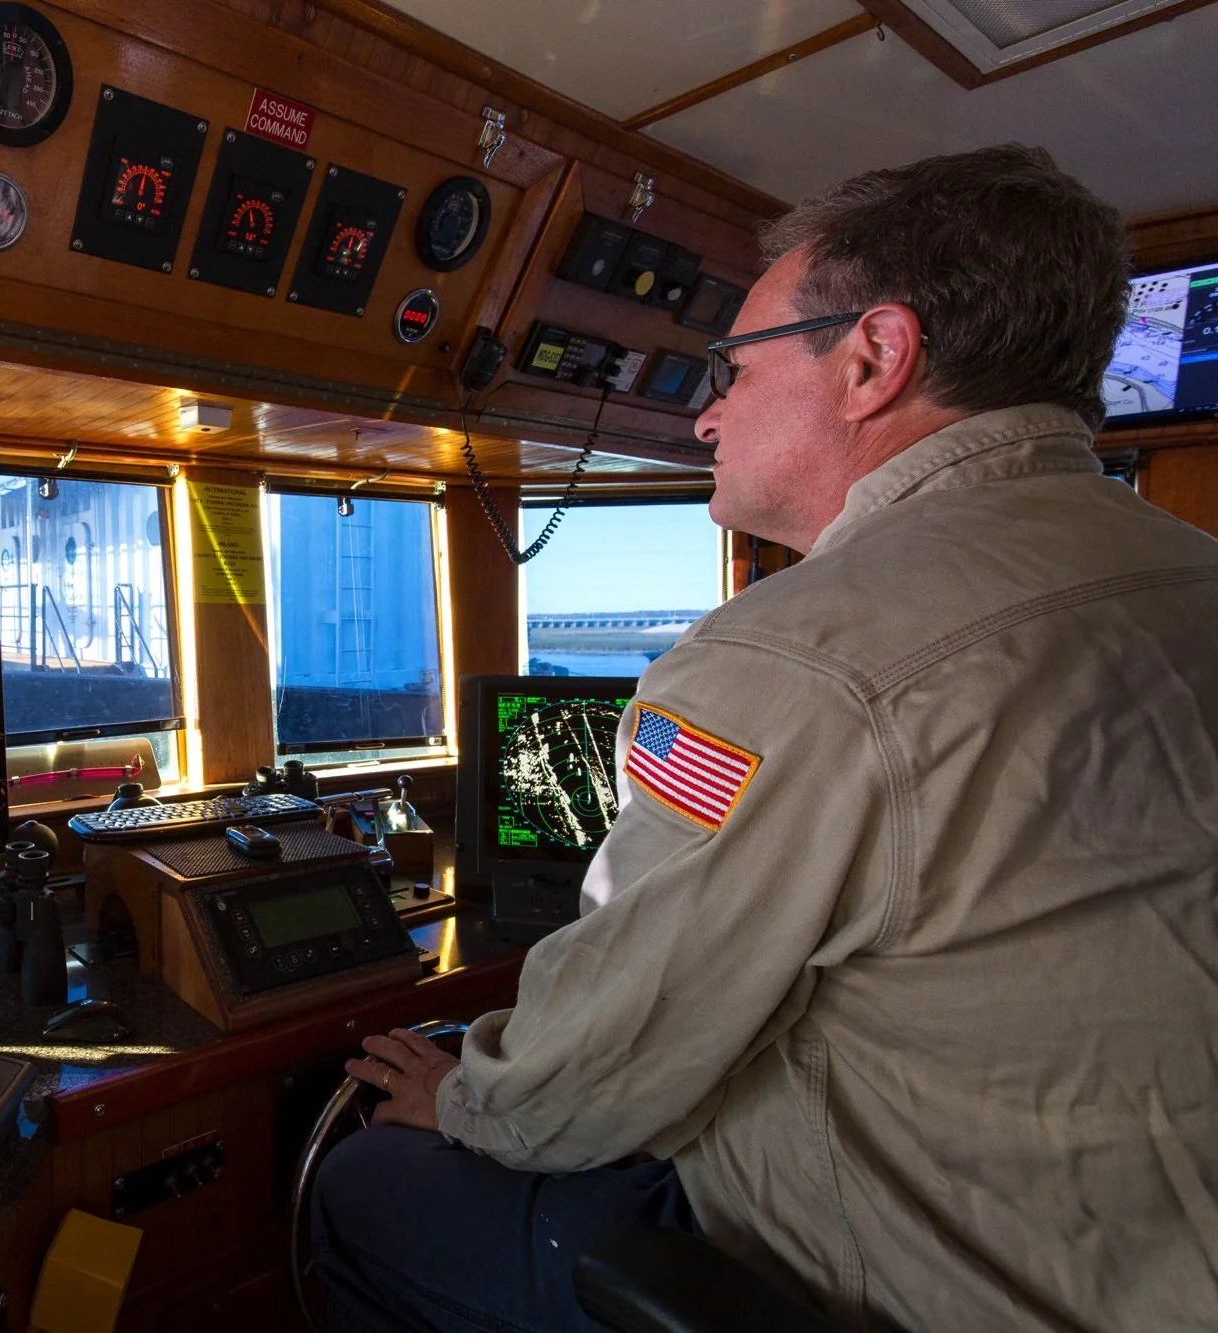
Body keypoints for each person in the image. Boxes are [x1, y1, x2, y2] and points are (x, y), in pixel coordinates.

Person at [311, 144, 1218, 1332]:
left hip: (922, 1292)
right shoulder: (1184, 571)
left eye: (727, 366)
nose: (703, 417)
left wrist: (468, 1097)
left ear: (871, 359)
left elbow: (599, 1062)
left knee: (364, 1180)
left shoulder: (794, 657)